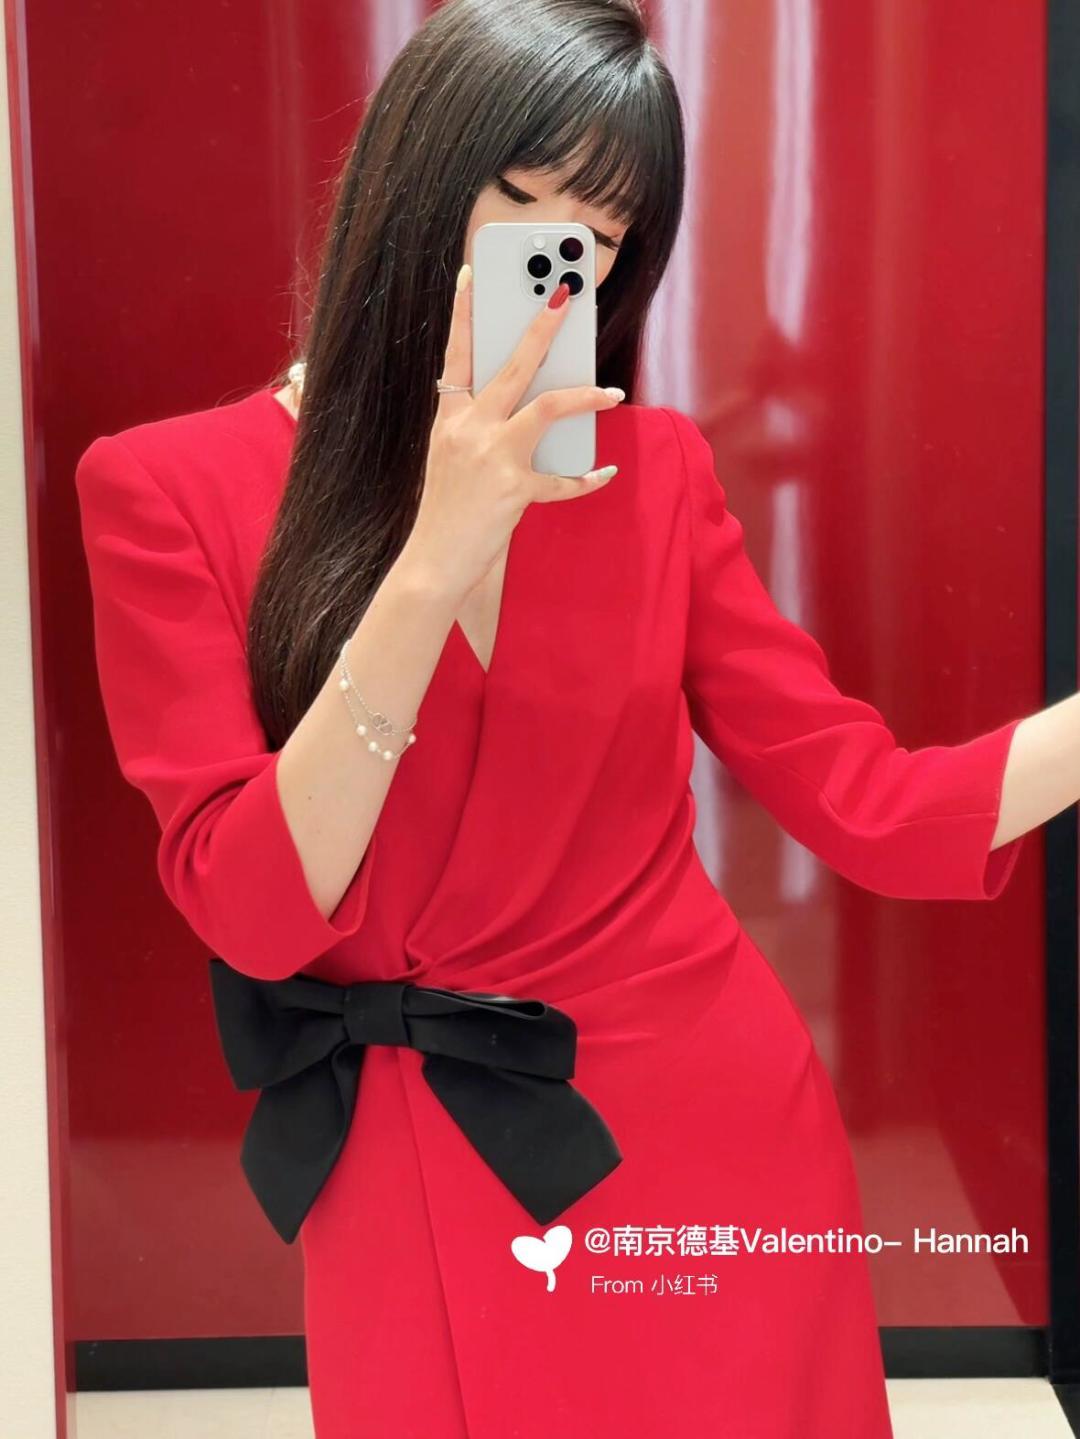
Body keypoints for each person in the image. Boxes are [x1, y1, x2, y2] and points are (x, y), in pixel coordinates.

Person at [73, 0, 1050, 1435]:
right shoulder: (168, 491)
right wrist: (436, 554)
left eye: (595, 237)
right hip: (409, 1155)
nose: (554, 266)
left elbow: (873, 805)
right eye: (521, 202)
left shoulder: (655, 477)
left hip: (706, 1128)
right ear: (413, 177)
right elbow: (256, 912)